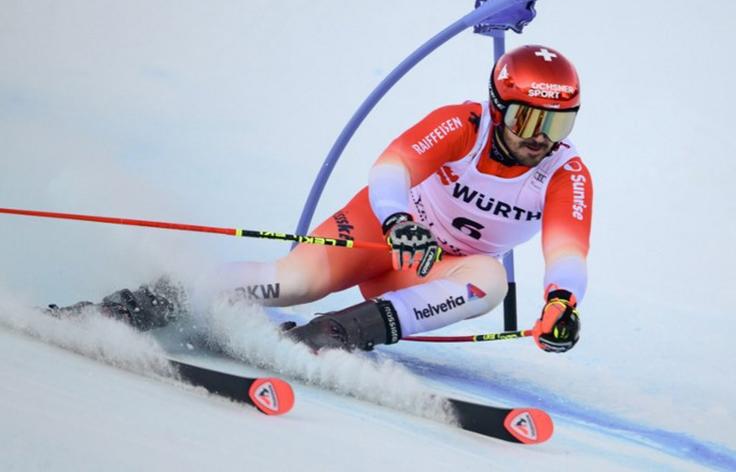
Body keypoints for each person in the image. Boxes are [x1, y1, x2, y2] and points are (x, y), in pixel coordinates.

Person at [49, 45, 593, 355]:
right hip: (382, 233)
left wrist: (560, 304)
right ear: (499, 108)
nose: (540, 135)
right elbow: (392, 168)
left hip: (431, 272)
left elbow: (568, 255)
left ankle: (330, 335)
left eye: (557, 121)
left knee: (489, 283)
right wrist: (400, 219)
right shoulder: (463, 124)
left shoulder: (564, 172)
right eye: (528, 117)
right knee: (289, 283)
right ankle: (134, 305)